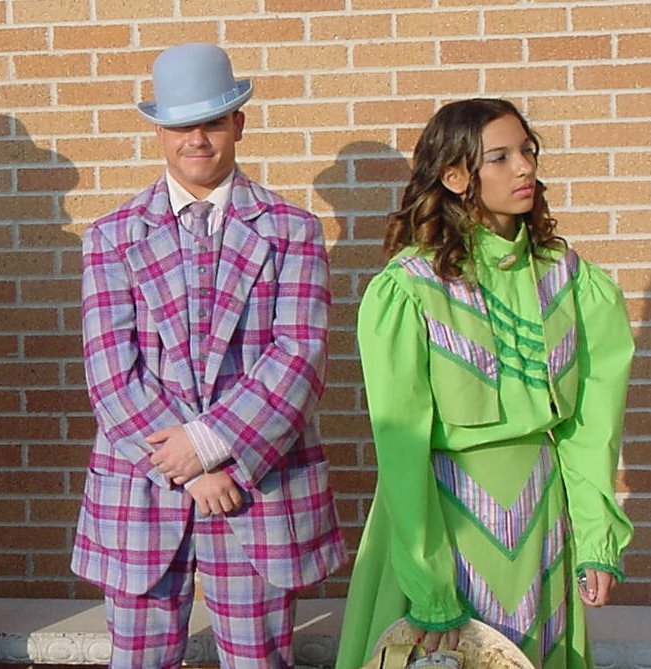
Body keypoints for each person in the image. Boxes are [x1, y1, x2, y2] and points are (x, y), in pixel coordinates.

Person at [70, 42, 345, 668]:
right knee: (138, 659)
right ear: (158, 132)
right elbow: (110, 371)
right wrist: (188, 468)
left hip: (254, 485)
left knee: (257, 660)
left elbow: (299, 357)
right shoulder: (112, 236)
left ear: (238, 124)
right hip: (144, 487)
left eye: (212, 122)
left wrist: (211, 444)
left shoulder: (292, 231)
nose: (196, 139)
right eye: (181, 125)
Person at [335, 98, 633, 669]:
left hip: (544, 515)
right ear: (454, 177)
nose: (524, 167)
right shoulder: (409, 288)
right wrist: (429, 584)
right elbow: (400, 444)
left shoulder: (571, 280)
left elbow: (591, 427)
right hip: (440, 518)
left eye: (527, 150)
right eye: (499, 157)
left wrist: (596, 541)